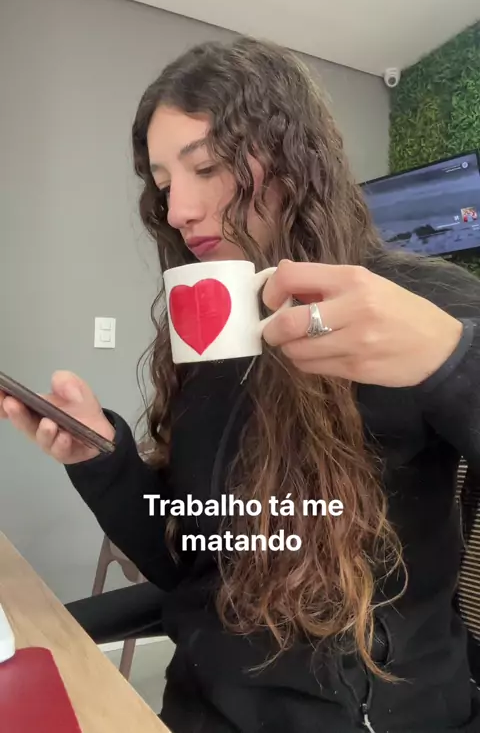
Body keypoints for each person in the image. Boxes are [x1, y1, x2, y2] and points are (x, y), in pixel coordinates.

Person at [2, 36, 480, 733]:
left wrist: (452, 361)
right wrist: (102, 461)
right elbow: (188, 563)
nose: (177, 210)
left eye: (206, 167)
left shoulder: (420, 302)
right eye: (164, 183)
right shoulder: (219, 328)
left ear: (294, 159)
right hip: (198, 711)